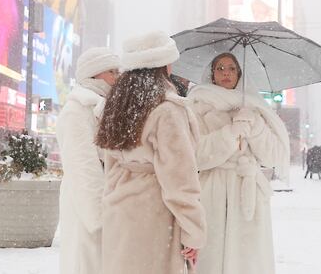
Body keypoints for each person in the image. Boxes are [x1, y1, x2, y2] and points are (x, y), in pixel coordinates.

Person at [95, 31, 206, 274]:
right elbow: (180, 179)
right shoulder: (167, 110)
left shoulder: (117, 105)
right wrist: (193, 231)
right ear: (163, 63)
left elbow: (110, 163)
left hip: (120, 211)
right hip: (154, 215)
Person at [187, 52, 290, 274]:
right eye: (220, 68)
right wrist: (231, 133)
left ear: (239, 74)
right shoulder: (197, 106)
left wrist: (254, 127)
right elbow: (196, 155)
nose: (226, 73)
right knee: (212, 259)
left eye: (232, 68)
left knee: (249, 262)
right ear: (212, 74)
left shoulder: (254, 108)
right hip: (212, 192)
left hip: (248, 192)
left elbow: (273, 156)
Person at [56, 47, 120, 274]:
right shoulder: (77, 110)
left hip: (104, 198)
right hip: (86, 204)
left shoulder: (103, 108)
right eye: (111, 71)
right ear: (94, 74)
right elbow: (83, 166)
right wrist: (99, 217)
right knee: (85, 262)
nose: (117, 77)